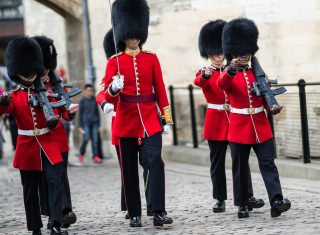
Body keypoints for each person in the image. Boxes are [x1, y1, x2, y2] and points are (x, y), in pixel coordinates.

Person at [102, 0, 173, 227]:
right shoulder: (115, 62)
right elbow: (104, 92)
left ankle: (158, 210)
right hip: (126, 119)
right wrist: (113, 90)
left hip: (150, 119)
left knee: (154, 161)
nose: (133, 39)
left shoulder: (151, 58)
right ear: (123, 35)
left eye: (136, 35)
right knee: (130, 169)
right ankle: (134, 212)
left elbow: (160, 90)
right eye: (129, 35)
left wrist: (167, 119)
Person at [0, 37, 78, 235]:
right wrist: (2, 100)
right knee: (30, 191)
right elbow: (5, 108)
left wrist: (70, 112)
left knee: (55, 182)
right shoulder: (14, 95)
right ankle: (35, 227)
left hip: (48, 144)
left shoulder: (46, 91)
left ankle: (56, 224)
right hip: (27, 147)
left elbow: (62, 111)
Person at [218, 18, 291, 218]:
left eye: (247, 52)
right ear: (233, 53)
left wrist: (272, 107)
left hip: (260, 125)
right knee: (240, 168)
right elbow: (221, 84)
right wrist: (231, 69)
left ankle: (276, 200)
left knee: (268, 163)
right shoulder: (229, 74)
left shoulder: (257, 73)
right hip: (239, 127)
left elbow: (265, 94)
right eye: (240, 52)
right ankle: (242, 203)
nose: (244, 55)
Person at [194, 20, 265, 214]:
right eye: (214, 53)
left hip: (236, 120)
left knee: (241, 162)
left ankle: (246, 196)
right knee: (217, 163)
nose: (218, 56)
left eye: (220, 52)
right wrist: (206, 76)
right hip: (216, 121)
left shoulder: (232, 70)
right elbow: (199, 81)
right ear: (208, 54)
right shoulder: (206, 71)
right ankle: (219, 198)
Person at [32, 36, 77, 229]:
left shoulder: (56, 85)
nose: (45, 73)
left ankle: (65, 210)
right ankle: (54, 213)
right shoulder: (32, 89)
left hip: (59, 139)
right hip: (42, 140)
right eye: (42, 70)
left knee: (60, 176)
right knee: (48, 179)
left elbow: (64, 114)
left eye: (47, 69)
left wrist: (70, 113)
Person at [78, 84, 102, 164]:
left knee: (95, 140)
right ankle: (81, 153)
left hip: (94, 122)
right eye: (88, 90)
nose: (90, 92)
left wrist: (99, 124)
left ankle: (95, 156)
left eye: (91, 91)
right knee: (86, 139)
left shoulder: (94, 99)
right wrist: (80, 126)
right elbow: (80, 113)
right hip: (86, 123)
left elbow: (97, 112)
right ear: (85, 91)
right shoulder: (82, 100)